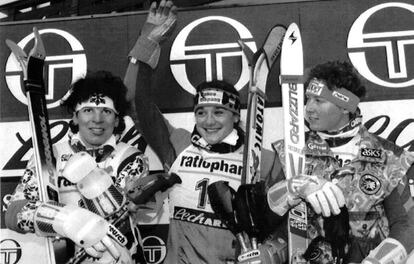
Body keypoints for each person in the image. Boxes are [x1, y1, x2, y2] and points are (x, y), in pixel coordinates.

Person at [123, 1, 288, 263]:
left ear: (236, 115)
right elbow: (133, 100)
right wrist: (146, 44)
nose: (208, 121)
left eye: (219, 112)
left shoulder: (264, 160)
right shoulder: (178, 144)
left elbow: (287, 227)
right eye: (201, 112)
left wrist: (271, 254)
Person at [4, 30, 158, 263]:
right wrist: (63, 220)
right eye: (87, 111)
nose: (97, 119)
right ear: (75, 117)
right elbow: (14, 214)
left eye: (106, 111)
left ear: (117, 120)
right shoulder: (50, 155)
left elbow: (125, 208)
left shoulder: (130, 158)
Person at [267, 60, 414, 264]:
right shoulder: (290, 150)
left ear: (345, 106)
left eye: (319, 101)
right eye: (307, 99)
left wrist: (378, 261)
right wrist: (294, 187)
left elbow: (406, 224)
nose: (308, 108)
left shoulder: (389, 156)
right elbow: (264, 217)